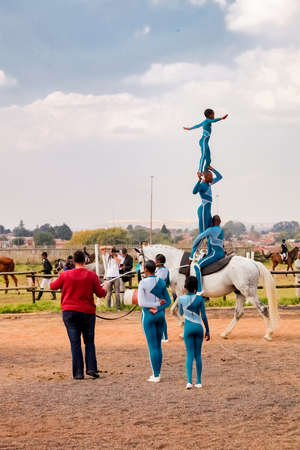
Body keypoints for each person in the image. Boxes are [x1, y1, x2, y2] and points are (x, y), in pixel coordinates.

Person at [50, 250, 107, 380]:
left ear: (73, 261)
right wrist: (106, 288)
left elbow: (53, 286)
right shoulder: (92, 275)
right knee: (89, 341)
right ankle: (92, 368)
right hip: (87, 313)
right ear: (85, 261)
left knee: (75, 343)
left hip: (70, 312)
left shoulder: (65, 275)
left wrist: (56, 278)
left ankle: (78, 373)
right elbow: (100, 293)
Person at [138, 260, 171, 383]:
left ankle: (156, 375)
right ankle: (158, 373)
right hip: (160, 315)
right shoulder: (161, 282)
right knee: (158, 346)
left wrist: (154, 305)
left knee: (152, 347)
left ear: (146, 269)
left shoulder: (142, 283)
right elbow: (168, 301)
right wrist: (158, 307)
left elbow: (141, 303)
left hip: (148, 315)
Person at [178, 276, 210, 389]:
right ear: (196, 287)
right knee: (198, 355)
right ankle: (199, 382)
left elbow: (181, 313)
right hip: (198, 327)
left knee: (189, 355)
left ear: (185, 287)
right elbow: (204, 316)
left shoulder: (181, 299)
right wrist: (208, 330)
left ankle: (189, 381)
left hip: (188, 328)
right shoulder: (200, 299)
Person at [183, 109, 228, 177]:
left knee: (209, 159)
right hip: (203, 142)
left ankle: (205, 171)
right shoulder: (207, 121)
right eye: (213, 114)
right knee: (203, 155)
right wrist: (221, 118)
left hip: (205, 143)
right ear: (210, 115)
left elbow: (197, 125)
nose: (214, 115)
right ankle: (199, 171)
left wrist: (189, 128)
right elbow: (213, 120)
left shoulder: (205, 121)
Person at [191, 215, 225, 294]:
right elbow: (212, 242)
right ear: (219, 222)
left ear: (212, 222)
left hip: (214, 254)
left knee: (197, 266)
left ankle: (199, 289)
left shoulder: (210, 230)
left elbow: (199, 238)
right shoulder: (222, 230)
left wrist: (194, 246)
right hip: (221, 253)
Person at [192, 166, 223, 234]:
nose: (212, 178)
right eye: (210, 176)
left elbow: (220, 177)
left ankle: (212, 243)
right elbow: (194, 192)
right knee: (203, 232)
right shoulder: (202, 185)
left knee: (211, 228)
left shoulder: (209, 183)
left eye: (212, 176)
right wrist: (199, 180)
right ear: (206, 177)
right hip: (203, 210)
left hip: (208, 211)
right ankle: (200, 243)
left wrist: (212, 169)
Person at [155, 253, 171, 343]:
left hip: (161, 296)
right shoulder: (159, 270)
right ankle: (159, 335)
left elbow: (159, 282)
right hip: (157, 295)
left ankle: (165, 337)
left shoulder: (164, 270)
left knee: (161, 317)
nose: (154, 262)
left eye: (156, 261)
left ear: (159, 262)